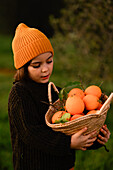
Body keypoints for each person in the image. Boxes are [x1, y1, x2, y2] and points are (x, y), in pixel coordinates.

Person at [8, 23, 111, 170]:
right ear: (23, 67)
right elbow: (31, 133)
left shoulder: (58, 93)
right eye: (36, 65)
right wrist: (68, 143)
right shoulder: (20, 93)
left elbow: (73, 128)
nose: (45, 69)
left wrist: (96, 139)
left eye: (49, 61)